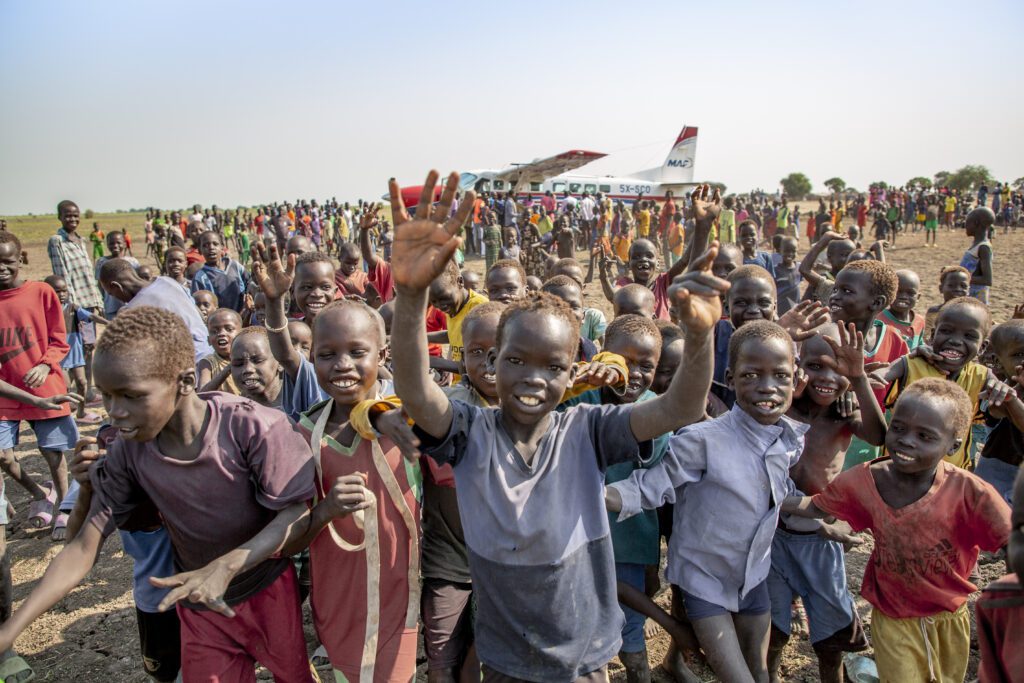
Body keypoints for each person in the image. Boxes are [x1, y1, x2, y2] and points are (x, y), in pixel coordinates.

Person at [389, 172, 725, 682]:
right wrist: (411, 296)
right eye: (516, 361)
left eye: (552, 367)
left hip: (584, 655)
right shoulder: (469, 433)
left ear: (574, 373)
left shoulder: (588, 430)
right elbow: (416, 389)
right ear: (492, 362)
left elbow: (679, 408)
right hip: (506, 658)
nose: (532, 378)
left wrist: (700, 338)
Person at [0, 307, 319, 681]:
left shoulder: (253, 426)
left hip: (267, 592)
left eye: (131, 396)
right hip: (199, 605)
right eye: (106, 396)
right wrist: (9, 632)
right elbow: (82, 548)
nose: (115, 412)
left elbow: (297, 514)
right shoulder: (128, 449)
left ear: (184, 380)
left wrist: (227, 565)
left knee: (293, 676)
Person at [607, 321, 805, 683]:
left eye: (780, 376)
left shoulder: (787, 439)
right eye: (751, 375)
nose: (767, 387)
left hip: (753, 576)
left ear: (796, 379)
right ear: (729, 378)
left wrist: (822, 511)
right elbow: (651, 484)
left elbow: (774, 494)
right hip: (706, 583)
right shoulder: (702, 440)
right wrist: (599, 495)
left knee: (759, 672)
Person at [784, 378, 1012, 683]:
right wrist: (769, 497)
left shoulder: (971, 493)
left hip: (949, 616)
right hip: (893, 614)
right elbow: (816, 507)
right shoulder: (866, 481)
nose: (906, 441)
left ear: (953, 444)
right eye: (899, 428)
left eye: (925, 436)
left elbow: (1012, 541)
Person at [278, 299, 418, 682]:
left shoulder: (410, 421)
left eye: (357, 352)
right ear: (311, 357)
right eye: (327, 354)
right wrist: (325, 510)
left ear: (382, 353)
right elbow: (287, 542)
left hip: (400, 598)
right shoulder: (302, 435)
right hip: (338, 602)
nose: (342, 365)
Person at [767, 323, 884, 683]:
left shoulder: (844, 413)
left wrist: (859, 378)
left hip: (821, 535)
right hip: (770, 530)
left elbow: (880, 435)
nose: (828, 378)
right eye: (816, 365)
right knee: (772, 626)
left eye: (839, 369)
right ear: (798, 364)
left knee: (830, 634)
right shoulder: (783, 407)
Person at [0, 232, 76, 540]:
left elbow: (60, 339)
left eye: (7, 261)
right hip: (5, 393)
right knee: (4, 456)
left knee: (53, 454)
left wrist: (45, 364)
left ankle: (65, 508)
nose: (1, 268)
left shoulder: (41, 292)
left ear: (20, 259)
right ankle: (38, 493)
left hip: (46, 388)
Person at [883, 297, 1012, 469]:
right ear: (931, 336)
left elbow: (1002, 412)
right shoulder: (911, 365)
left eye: (969, 336)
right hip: (897, 465)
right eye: (947, 331)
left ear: (982, 347)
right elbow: (876, 378)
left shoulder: (982, 378)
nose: (956, 341)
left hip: (952, 474)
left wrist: (1002, 389)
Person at [827, 259, 908, 468]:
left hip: (871, 433)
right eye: (835, 289)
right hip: (829, 436)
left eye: (846, 290)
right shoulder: (825, 337)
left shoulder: (894, 340)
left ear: (877, 303)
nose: (835, 295)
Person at [97, 257, 214, 362]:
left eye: (111, 293)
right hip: (209, 355)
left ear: (116, 286)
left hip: (186, 365)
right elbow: (197, 313)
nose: (116, 298)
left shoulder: (133, 310)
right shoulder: (167, 281)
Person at [44, 275, 108, 425]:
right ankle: (65, 415)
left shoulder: (72, 308)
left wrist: (108, 323)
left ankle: (81, 411)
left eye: (64, 291)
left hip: (75, 352)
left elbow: (91, 316)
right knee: (64, 386)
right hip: (57, 354)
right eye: (57, 291)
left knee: (82, 382)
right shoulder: (45, 311)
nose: (62, 295)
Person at [973, 320, 1024, 502]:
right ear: (997, 361)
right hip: (998, 488)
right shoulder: (997, 391)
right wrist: (1012, 398)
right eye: (1019, 354)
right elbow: (997, 408)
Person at [192, 231, 250, 312]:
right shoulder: (200, 277)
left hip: (244, 316)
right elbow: (198, 304)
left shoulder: (235, 266)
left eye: (215, 244)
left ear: (222, 246)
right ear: (200, 250)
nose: (211, 248)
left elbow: (249, 282)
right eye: (205, 245)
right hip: (220, 320)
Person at [797, 230, 855, 305]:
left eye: (852, 255)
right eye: (845, 255)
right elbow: (804, 305)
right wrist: (826, 238)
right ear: (829, 257)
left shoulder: (856, 280)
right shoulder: (823, 280)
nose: (849, 259)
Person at [197, 308, 243, 394]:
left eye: (229, 329)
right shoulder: (207, 363)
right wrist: (228, 369)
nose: (221, 333)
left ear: (242, 334)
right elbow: (202, 394)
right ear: (209, 340)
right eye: (214, 331)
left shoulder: (248, 359)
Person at [880, 269, 926, 349]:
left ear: (918, 297)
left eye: (910, 293)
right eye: (898, 291)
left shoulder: (919, 322)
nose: (903, 297)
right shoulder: (879, 320)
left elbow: (919, 345)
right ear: (888, 293)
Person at [924, 266, 971, 341]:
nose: (958, 289)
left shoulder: (971, 314)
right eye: (951, 285)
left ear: (968, 290)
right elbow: (927, 337)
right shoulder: (934, 312)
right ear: (941, 288)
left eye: (963, 286)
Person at [961, 207, 994, 304]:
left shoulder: (983, 247)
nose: (965, 225)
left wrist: (961, 278)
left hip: (976, 300)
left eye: (967, 222)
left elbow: (987, 279)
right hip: (969, 295)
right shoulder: (976, 245)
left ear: (976, 223)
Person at [773, 236, 801, 315]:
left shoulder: (799, 268)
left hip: (796, 308)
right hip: (780, 309)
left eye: (793, 251)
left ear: (797, 250)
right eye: (786, 251)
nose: (790, 254)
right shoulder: (775, 270)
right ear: (780, 251)